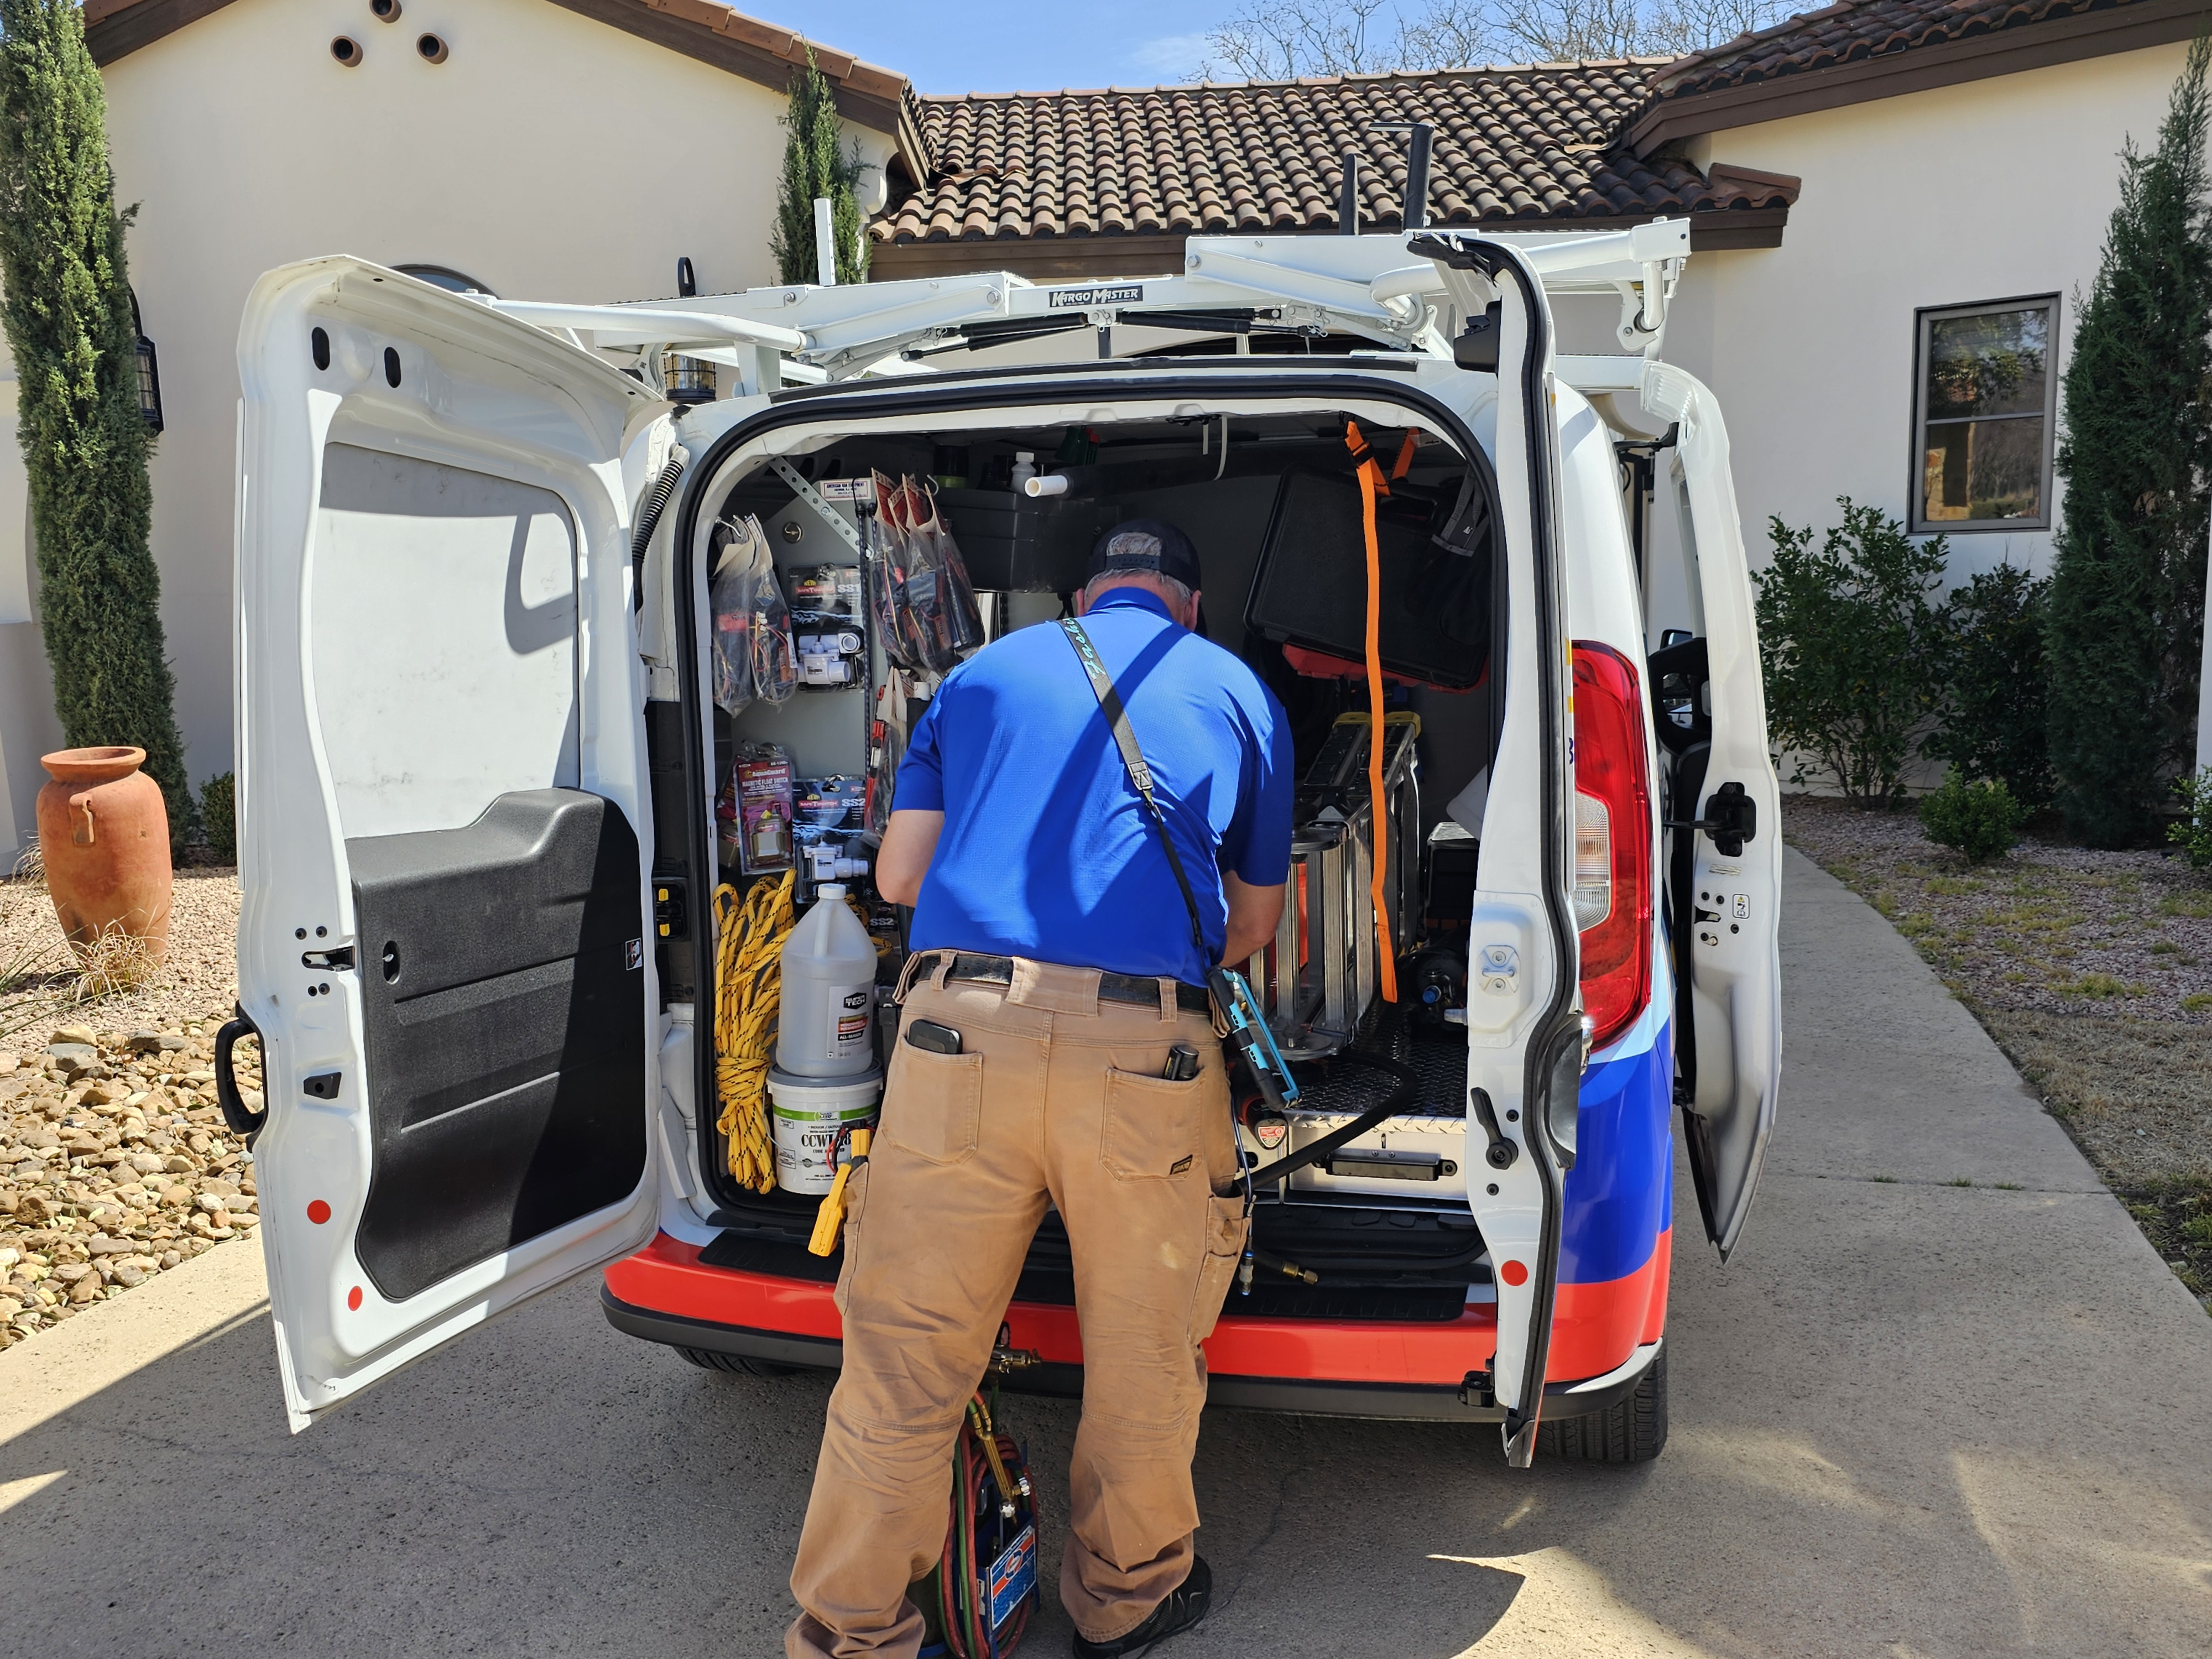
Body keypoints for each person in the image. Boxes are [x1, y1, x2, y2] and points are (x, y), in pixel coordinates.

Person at [786, 518, 1294, 1659]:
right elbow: (1250, 929)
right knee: (1143, 1349)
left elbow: (900, 874)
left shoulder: (977, 672)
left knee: (906, 1357)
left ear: (1080, 599)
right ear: (1187, 607)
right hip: (1141, 1057)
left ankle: (853, 1631)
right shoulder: (1235, 691)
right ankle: (1123, 1600)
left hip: (957, 1037)